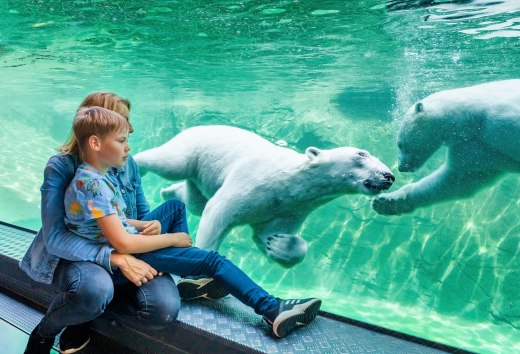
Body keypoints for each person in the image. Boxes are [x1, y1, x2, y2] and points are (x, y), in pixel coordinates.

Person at [35, 105, 320, 351]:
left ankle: (189, 271)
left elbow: (105, 218)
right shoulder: (93, 184)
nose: (129, 146)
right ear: (96, 144)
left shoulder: (97, 176)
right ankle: (271, 308)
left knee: (175, 207)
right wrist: (173, 238)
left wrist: (145, 224)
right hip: (116, 251)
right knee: (212, 260)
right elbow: (123, 244)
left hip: (116, 239)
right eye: (122, 140)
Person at [21, 92, 213, 354]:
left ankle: (90, 313)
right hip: (76, 256)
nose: (131, 129)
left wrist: (151, 228)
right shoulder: (62, 167)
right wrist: (114, 257)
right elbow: (56, 238)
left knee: (163, 310)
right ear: (96, 133)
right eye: (124, 120)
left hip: (123, 244)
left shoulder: (126, 161)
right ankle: (47, 331)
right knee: (95, 289)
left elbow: (141, 214)